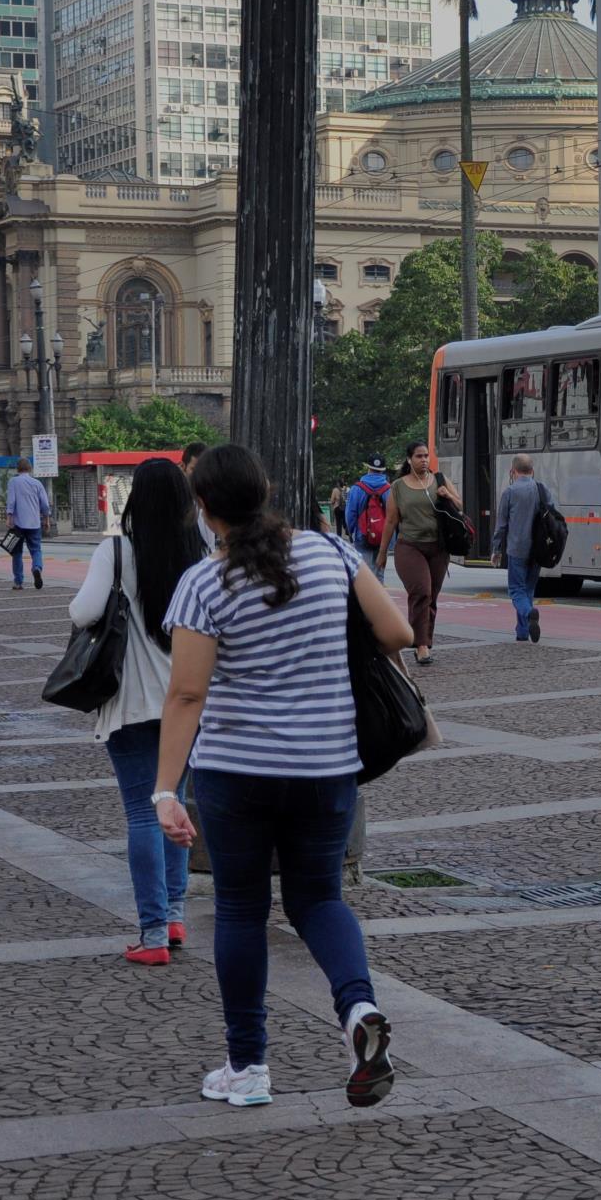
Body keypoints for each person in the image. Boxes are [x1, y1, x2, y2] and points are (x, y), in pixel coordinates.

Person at [152, 444, 413, 1109]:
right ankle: (357, 1011)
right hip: (326, 765)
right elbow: (397, 632)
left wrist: (164, 790)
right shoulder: (331, 555)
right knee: (320, 900)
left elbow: (186, 695)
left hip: (237, 772)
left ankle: (248, 1067)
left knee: (240, 908)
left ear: (203, 509)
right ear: (266, 488)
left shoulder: (204, 584)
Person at [70, 458, 208, 965]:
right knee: (176, 804)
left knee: (144, 814)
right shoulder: (200, 551)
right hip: (188, 699)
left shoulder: (116, 550)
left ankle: (152, 934)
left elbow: (83, 612)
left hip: (131, 700)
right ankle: (173, 916)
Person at [376, 441, 462, 665]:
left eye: (426, 456)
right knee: (421, 591)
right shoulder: (398, 486)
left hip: (439, 547)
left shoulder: (440, 480)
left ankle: (425, 641)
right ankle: (420, 645)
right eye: (419, 456)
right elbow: (391, 521)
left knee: (431, 596)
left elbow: (460, 507)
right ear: (409, 459)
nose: (424, 460)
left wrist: (448, 496)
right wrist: (383, 553)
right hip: (409, 546)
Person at [489, 452, 546, 643]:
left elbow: (502, 525)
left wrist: (496, 550)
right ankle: (522, 632)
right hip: (538, 550)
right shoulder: (542, 489)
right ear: (532, 470)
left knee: (516, 590)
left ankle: (529, 614)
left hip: (517, 549)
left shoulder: (510, 492)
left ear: (512, 471)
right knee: (528, 590)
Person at [5, 458, 53, 590]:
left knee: (17, 553)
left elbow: (11, 501)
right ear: (30, 468)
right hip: (34, 523)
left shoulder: (13, 481)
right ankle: (37, 568)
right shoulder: (37, 483)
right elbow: (44, 504)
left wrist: (9, 517)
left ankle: (18, 581)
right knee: (36, 550)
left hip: (18, 523)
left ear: (17, 469)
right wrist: (46, 520)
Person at [341, 455, 392, 560]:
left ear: (368, 468)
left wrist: (351, 533)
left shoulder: (356, 488)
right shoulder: (390, 490)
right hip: (384, 537)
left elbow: (350, 514)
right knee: (379, 574)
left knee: (363, 571)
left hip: (362, 536)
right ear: (383, 470)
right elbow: (394, 516)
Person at [181, 441, 216, 551]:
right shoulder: (177, 500)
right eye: (194, 469)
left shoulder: (214, 497)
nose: (199, 475)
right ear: (183, 466)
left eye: (204, 470)